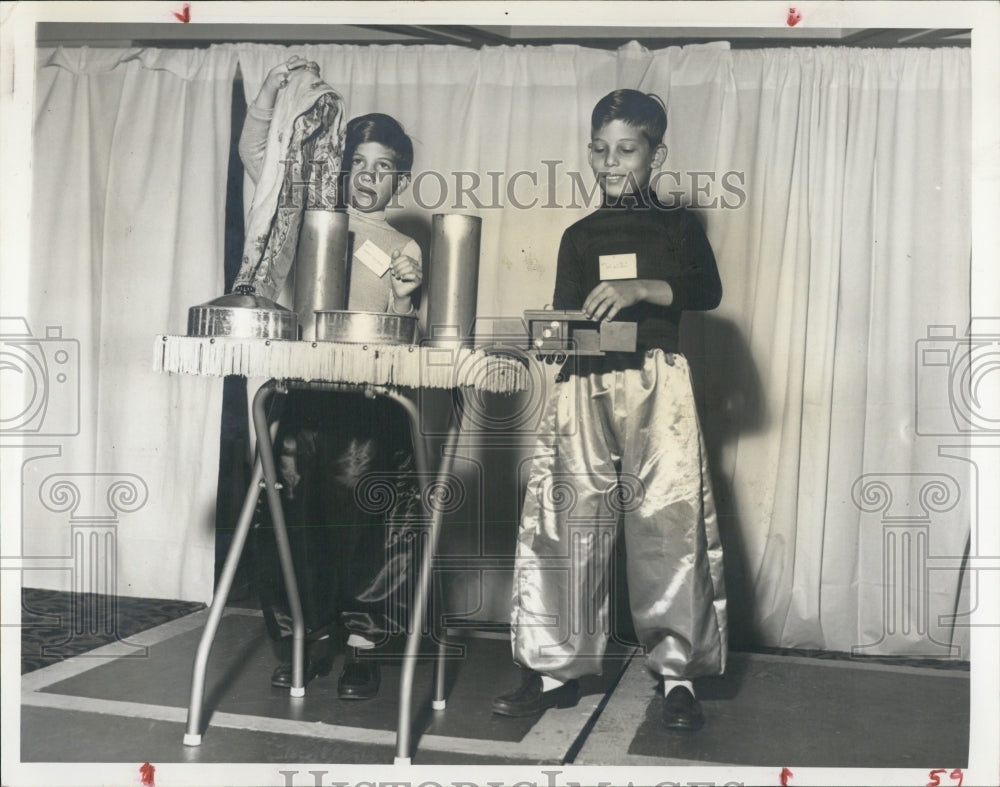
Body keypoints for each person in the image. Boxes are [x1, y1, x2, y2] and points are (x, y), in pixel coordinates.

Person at [491, 89, 727, 731]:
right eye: (600, 150)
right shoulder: (579, 234)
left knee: (667, 523)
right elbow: (567, 308)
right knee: (564, 518)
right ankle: (551, 668)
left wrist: (644, 288)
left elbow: (707, 290)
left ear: (657, 154)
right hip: (583, 383)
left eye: (627, 150)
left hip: (658, 385)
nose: (611, 163)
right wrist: (546, 329)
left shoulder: (680, 227)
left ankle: (677, 677)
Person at [240, 56, 423, 700]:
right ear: (340, 166)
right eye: (360, 163)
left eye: (385, 168)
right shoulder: (305, 211)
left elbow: (404, 330)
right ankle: (301, 641)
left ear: (400, 180)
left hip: (369, 407)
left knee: (368, 533)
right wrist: (266, 94)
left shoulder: (405, 248)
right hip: (304, 401)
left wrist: (406, 296)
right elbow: (258, 156)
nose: (369, 178)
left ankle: (361, 649)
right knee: (291, 524)